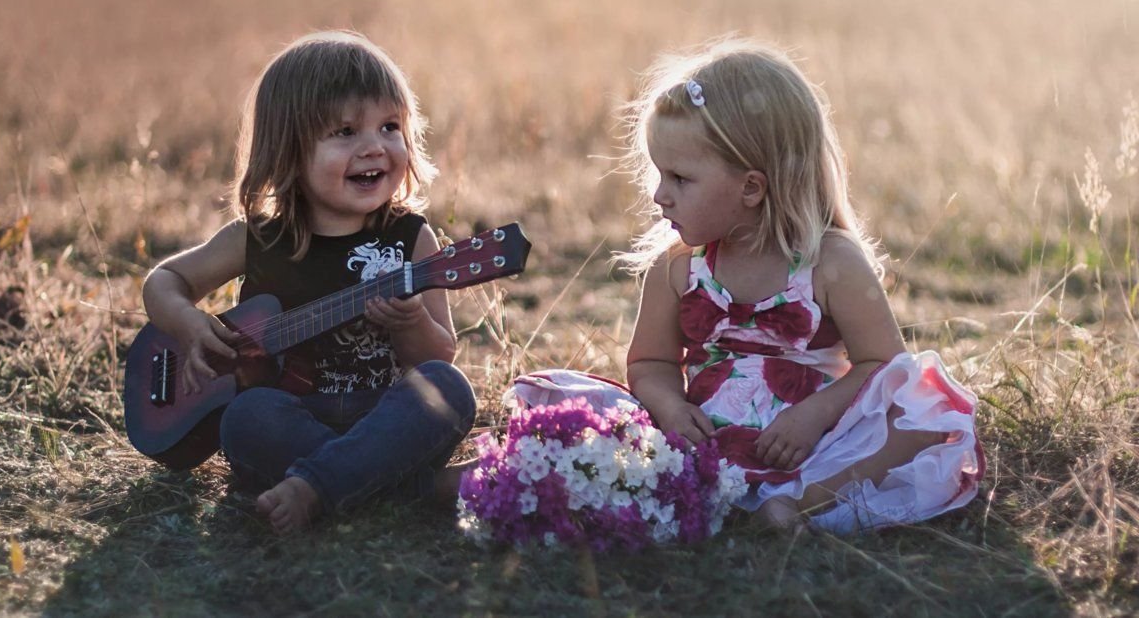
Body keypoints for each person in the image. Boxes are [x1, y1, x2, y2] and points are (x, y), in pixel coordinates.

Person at [511, 38, 983, 533]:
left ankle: (797, 504)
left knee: (924, 410)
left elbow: (885, 365)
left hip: (818, 443)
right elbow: (650, 363)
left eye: (679, 178)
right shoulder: (677, 269)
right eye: (658, 174)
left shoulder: (831, 263)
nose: (659, 195)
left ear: (751, 188)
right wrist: (671, 408)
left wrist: (815, 415)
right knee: (573, 414)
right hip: (704, 443)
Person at [141, 31, 476, 534]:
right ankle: (411, 488)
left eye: (390, 126)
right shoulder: (256, 238)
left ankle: (315, 486)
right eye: (345, 132)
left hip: (381, 415)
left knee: (447, 389)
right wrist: (189, 326)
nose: (374, 148)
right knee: (245, 418)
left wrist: (410, 323)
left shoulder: (410, 239)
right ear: (289, 150)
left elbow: (436, 357)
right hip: (290, 415)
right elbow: (163, 280)